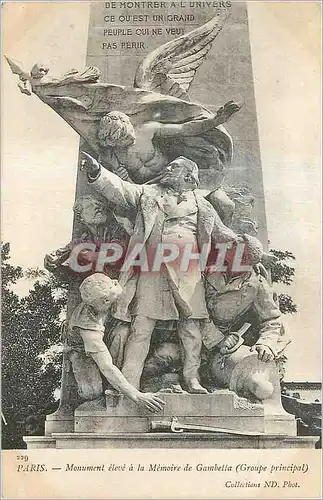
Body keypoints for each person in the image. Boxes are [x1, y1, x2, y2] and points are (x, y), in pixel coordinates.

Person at [81, 152, 243, 394]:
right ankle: (130, 382)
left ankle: (192, 379)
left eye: (174, 166)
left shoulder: (202, 204)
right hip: (152, 268)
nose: (167, 167)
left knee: (190, 329)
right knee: (141, 328)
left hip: (188, 273)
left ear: (188, 175)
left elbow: (222, 234)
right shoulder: (149, 194)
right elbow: (122, 190)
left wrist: (251, 250)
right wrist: (97, 172)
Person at [67, 273, 165, 413]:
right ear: (101, 302)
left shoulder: (116, 289)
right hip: (82, 352)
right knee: (92, 392)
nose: (111, 304)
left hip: (108, 338)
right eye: (106, 301)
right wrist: (137, 397)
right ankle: (115, 385)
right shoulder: (86, 323)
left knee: (122, 332)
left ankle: (116, 386)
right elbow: (106, 365)